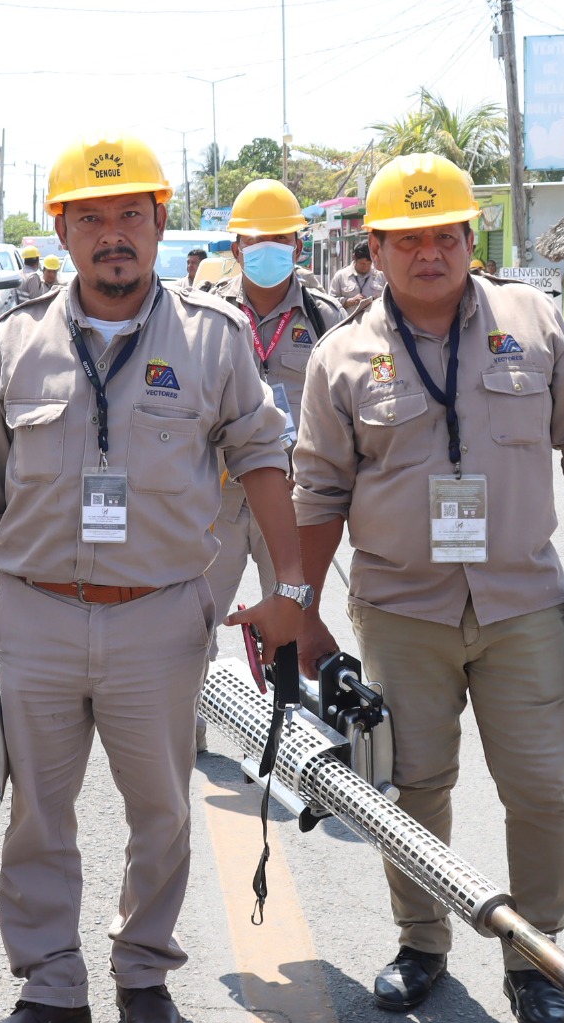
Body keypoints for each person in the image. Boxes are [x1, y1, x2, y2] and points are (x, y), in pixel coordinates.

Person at [0, 130, 304, 1023]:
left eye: (129, 216)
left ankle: (143, 971)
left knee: (162, 810)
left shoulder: (213, 339)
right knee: (38, 814)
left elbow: (263, 457)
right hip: (38, 613)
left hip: (160, 615)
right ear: (61, 231)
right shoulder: (17, 342)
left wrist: (291, 586)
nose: (112, 236)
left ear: (159, 224)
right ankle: (50, 985)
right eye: (91, 218)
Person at [292, 153, 564, 1023]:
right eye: (409, 237)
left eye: (445, 233)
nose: (430, 252)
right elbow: (318, 492)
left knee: (542, 788)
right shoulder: (342, 356)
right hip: (402, 610)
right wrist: (300, 607)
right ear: (375, 247)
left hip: (521, 603)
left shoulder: (533, 320)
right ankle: (422, 942)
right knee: (414, 787)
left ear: (468, 237)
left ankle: (536, 956)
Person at [199, 179, 344, 751]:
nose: (267, 250)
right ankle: (188, 740)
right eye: (255, 241)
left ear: (298, 247)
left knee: (295, 619)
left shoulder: (323, 317)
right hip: (221, 495)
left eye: (280, 240)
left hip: (297, 500)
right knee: (195, 621)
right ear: (236, 250)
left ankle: (292, 745)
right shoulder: (205, 317)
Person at [329, 241, 386, 309]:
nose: (366, 267)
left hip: (374, 319)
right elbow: (330, 302)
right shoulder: (340, 276)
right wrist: (348, 302)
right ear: (354, 258)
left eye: (369, 263)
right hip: (349, 319)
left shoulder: (381, 275)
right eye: (362, 263)